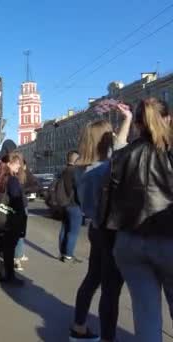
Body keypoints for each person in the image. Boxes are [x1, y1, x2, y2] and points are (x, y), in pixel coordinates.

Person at [108, 98, 173, 341]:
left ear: (137, 125)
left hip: (129, 242)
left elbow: (111, 195)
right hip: (169, 241)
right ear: (168, 119)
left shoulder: (123, 155)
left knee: (146, 315)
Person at [69, 102, 132, 342]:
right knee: (111, 289)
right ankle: (108, 338)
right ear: (105, 141)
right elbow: (121, 149)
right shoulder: (106, 168)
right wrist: (126, 120)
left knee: (92, 279)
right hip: (111, 231)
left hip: (95, 229)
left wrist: (125, 121)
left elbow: (117, 147)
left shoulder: (81, 169)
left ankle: (79, 326)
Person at [0, 152, 27, 286]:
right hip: (10, 219)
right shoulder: (12, 180)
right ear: (10, 164)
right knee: (9, 249)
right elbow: (17, 200)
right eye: (17, 163)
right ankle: (10, 276)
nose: (20, 166)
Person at [58, 150, 82, 262]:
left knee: (64, 228)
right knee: (73, 231)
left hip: (63, 203)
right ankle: (68, 255)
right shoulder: (75, 172)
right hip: (74, 204)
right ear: (76, 160)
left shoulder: (63, 170)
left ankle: (63, 253)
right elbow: (79, 189)